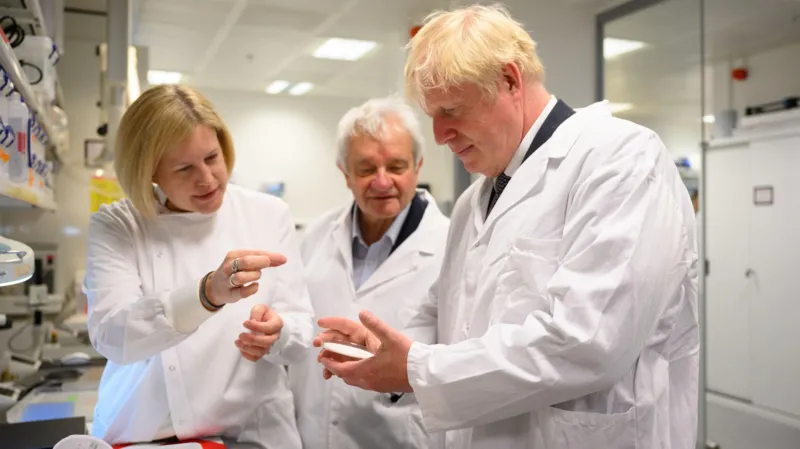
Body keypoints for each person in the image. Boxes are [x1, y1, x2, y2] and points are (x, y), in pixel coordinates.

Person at [315, 4, 699, 449]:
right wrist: (391, 352)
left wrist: (418, 369)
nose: (439, 135)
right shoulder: (474, 200)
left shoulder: (621, 160)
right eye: (432, 115)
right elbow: (444, 315)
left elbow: (588, 342)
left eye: (452, 111)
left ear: (510, 81)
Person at [83, 85, 313, 448]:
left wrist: (278, 334)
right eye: (185, 168)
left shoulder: (267, 215)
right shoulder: (119, 226)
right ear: (150, 172)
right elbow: (114, 336)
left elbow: (301, 335)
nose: (207, 178)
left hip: (250, 433)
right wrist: (206, 294)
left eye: (212, 158)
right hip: (148, 433)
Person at [290, 96, 450, 448]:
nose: (381, 182)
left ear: (417, 167)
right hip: (312, 434)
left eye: (396, 167)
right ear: (345, 174)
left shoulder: (451, 246)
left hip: (399, 436)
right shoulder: (316, 237)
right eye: (365, 169)